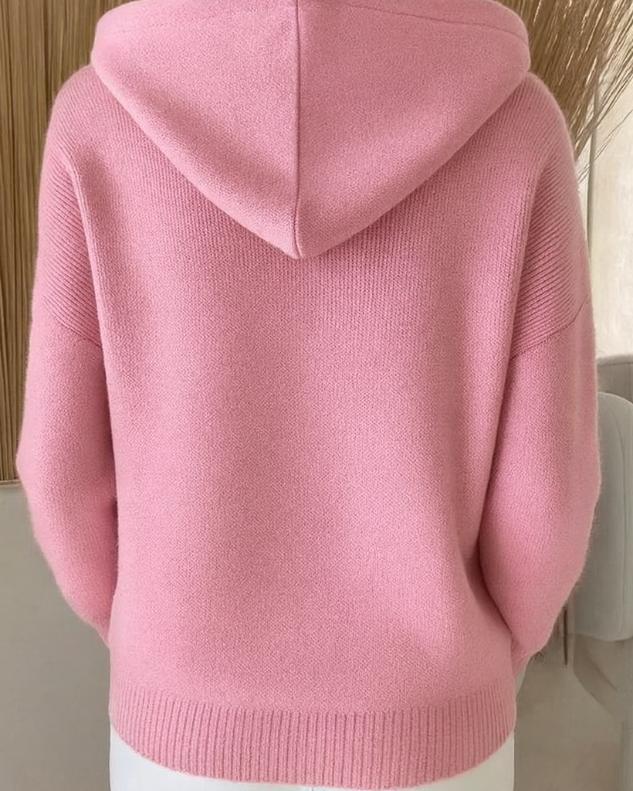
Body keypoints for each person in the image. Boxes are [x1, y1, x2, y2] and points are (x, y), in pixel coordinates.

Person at [16, 0, 602, 789]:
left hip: (178, 735)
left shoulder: (96, 120)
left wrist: (152, 647)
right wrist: (483, 664)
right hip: (434, 733)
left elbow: (59, 468)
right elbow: (548, 492)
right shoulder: (518, 128)